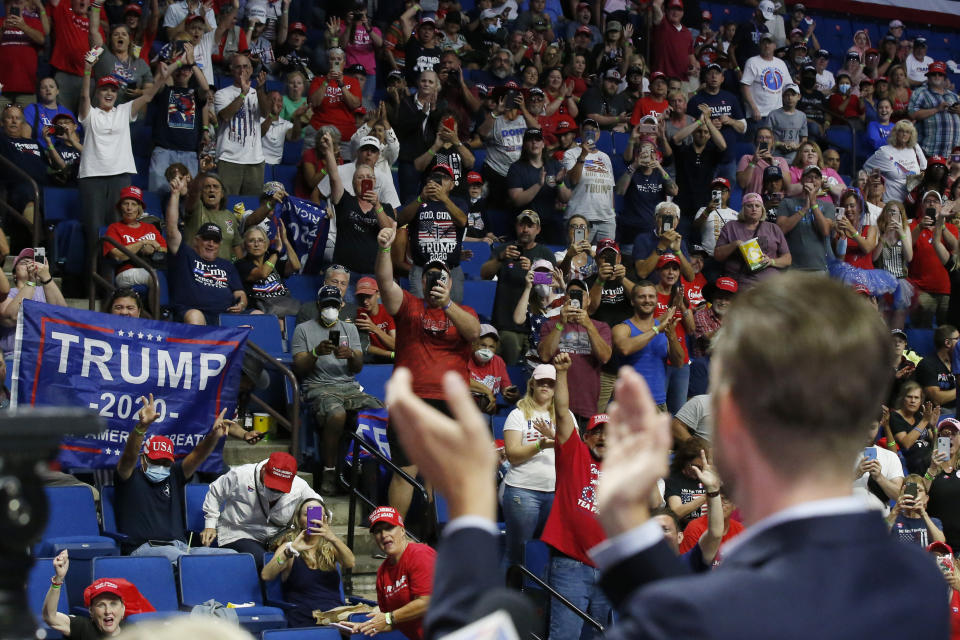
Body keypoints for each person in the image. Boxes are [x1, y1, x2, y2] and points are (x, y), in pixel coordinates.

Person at [382, 275, 949, 640]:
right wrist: (626, 527)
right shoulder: (917, 581)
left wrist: (474, 516)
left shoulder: (708, 614)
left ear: (730, 421)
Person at [374, 226, 480, 517]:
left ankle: (434, 537)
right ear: (421, 280)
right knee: (405, 472)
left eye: (440, 276)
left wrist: (446, 304)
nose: (434, 279)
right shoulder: (409, 305)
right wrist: (384, 249)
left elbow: (474, 333)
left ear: (449, 282)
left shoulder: (465, 312)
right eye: (429, 275)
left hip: (450, 402)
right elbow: (384, 282)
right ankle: (395, 536)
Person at [78, 55, 170, 266]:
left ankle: (114, 279)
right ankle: (93, 282)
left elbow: (147, 98)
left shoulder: (123, 111)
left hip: (120, 176)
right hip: (92, 177)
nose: (109, 93)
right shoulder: (90, 114)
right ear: (97, 93)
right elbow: (84, 98)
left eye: (112, 90)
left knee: (118, 229)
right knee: (94, 230)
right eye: (104, 90)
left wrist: (161, 80)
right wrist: (87, 71)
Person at [115, 397, 232, 558]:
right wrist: (142, 427)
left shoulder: (174, 475)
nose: (161, 466)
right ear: (143, 459)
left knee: (231, 556)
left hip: (181, 547)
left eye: (165, 462)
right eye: (156, 461)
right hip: (144, 549)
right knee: (182, 559)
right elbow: (129, 456)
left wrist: (214, 436)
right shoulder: (128, 477)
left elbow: (198, 455)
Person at [292, 284, 382, 493]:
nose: (330, 308)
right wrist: (315, 352)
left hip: (348, 386)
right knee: (337, 413)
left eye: (334, 304)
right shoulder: (303, 329)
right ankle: (329, 471)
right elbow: (299, 367)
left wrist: (351, 355)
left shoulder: (349, 329)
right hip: (318, 386)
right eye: (326, 305)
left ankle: (371, 471)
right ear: (318, 305)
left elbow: (357, 367)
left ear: (340, 306)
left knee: (378, 410)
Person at [500, 362, 567, 567]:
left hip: (555, 493)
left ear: (556, 387)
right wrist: (540, 444)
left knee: (545, 553)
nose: (545, 386)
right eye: (541, 382)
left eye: (550, 383)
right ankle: (505, 598)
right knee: (517, 553)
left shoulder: (566, 417)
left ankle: (536, 596)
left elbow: (574, 453)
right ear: (532, 384)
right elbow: (512, 455)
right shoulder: (518, 415)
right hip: (523, 491)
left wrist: (553, 437)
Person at [202, 452, 321, 565]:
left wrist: (312, 533)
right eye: (272, 487)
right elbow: (215, 493)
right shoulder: (241, 475)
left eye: (280, 490)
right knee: (264, 561)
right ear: (264, 469)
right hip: (240, 532)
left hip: (275, 538)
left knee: (300, 561)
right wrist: (210, 525)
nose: (274, 492)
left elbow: (316, 502)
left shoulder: (299, 485)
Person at [260, 498, 355, 628]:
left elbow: (350, 563)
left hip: (336, 617)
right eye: (307, 514)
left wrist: (332, 537)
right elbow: (267, 575)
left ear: (325, 519)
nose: (313, 519)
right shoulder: (289, 547)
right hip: (304, 617)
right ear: (299, 519)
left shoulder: (331, 548)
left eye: (319, 514)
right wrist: (289, 552)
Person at [165, 174, 247, 325]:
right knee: (195, 317)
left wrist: (241, 303)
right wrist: (176, 194)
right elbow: (171, 230)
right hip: (195, 313)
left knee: (259, 315)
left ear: (220, 244)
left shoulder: (227, 266)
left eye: (215, 241)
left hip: (225, 315)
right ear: (197, 241)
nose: (210, 244)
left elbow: (239, 293)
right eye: (206, 239)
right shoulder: (186, 256)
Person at [345, 507, 434, 640]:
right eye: (378, 531)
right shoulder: (382, 572)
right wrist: (365, 626)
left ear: (403, 530)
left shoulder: (420, 554)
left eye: (389, 528)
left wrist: (388, 617)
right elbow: (395, 621)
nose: (384, 534)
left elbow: (427, 602)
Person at [482, 211, 556, 364]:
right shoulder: (504, 250)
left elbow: (554, 282)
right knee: (508, 371)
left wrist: (533, 272)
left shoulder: (545, 253)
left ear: (538, 229)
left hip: (536, 326)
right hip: (506, 325)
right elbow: (485, 274)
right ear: (516, 226)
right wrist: (500, 258)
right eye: (522, 225)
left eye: (530, 225)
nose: (525, 229)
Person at [538, 280, 613, 425]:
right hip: (553, 405)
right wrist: (561, 323)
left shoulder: (601, 327)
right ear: (565, 300)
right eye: (571, 294)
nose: (575, 298)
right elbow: (545, 355)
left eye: (580, 294)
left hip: (587, 405)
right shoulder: (550, 325)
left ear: (589, 300)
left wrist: (588, 325)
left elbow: (605, 357)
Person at [613, 279, 684, 411]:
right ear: (632, 301)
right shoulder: (623, 328)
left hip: (658, 403)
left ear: (656, 300)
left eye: (651, 296)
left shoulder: (664, 329)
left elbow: (679, 362)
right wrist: (656, 330)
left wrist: (672, 337)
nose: (647, 300)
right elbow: (625, 348)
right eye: (642, 296)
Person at [214, 53, 269, 196]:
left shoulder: (257, 93)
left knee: (252, 206)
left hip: (255, 160)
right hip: (228, 159)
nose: (242, 70)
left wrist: (260, 89)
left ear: (251, 70)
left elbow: (265, 113)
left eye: (246, 67)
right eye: (238, 67)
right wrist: (243, 94)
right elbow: (225, 116)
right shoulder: (222, 94)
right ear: (232, 70)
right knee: (226, 203)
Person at [714, 192, 791, 288]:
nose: (754, 209)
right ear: (743, 209)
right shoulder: (730, 227)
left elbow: (787, 259)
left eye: (757, 206)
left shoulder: (773, 228)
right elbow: (717, 255)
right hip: (740, 283)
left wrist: (771, 261)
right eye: (749, 206)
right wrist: (735, 244)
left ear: (762, 210)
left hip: (769, 284)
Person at [0, 248, 66, 356]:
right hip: (15, 356)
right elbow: (10, 318)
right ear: (14, 274)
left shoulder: (46, 290)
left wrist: (46, 276)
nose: (29, 264)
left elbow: (63, 317)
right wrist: (31, 282)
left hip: (45, 356)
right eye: (23, 262)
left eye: (32, 262)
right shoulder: (6, 293)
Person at [43, 552, 125, 637]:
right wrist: (58, 579)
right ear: (91, 611)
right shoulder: (82, 627)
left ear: (123, 609)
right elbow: (50, 617)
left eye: (113, 604)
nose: (108, 611)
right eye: (101, 605)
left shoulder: (132, 630)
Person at [775, 164, 835, 272]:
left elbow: (825, 231)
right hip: (792, 269)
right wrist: (804, 209)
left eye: (817, 178)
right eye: (809, 177)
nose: (813, 180)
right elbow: (781, 229)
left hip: (819, 267)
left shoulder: (828, 206)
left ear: (821, 182)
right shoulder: (787, 202)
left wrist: (813, 203)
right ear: (802, 180)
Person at [562, 120, 616, 242]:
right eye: (587, 130)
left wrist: (612, 213)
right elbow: (573, 180)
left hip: (606, 220)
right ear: (581, 132)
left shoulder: (605, 157)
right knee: (578, 255)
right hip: (579, 218)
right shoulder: (570, 154)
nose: (591, 133)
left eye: (594, 130)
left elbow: (610, 188)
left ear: (599, 134)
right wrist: (582, 156)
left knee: (606, 257)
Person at [104, 186, 167, 288]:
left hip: (153, 267)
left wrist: (153, 250)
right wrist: (142, 244)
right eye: (126, 204)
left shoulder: (150, 227)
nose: (129, 208)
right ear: (120, 207)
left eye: (134, 204)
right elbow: (118, 255)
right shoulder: (114, 228)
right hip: (126, 271)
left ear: (139, 208)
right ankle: (159, 305)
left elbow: (164, 249)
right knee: (155, 277)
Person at [235, 225, 302, 318]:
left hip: (284, 304)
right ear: (245, 245)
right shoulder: (241, 264)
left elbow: (296, 266)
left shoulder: (273, 261)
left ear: (266, 245)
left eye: (260, 240)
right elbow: (263, 273)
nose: (256, 244)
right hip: (262, 308)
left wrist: (285, 241)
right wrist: (277, 251)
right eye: (251, 241)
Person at [863, 119, 927, 202]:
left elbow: (923, 167)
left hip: (912, 203)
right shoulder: (884, 152)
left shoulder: (914, 148)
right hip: (891, 202)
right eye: (901, 131)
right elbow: (866, 168)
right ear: (895, 133)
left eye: (907, 132)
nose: (904, 134)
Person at [908, 61, 960, 159]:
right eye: (933, 74)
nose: (937, 76)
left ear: (944, 78)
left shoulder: (953, 95)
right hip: (930, 151)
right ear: (928, 77)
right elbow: (912, 114)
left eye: (940, 74)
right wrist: (936, 109)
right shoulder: (920, 93)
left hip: (953, 155)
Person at [852, 420, 904, 515]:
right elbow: (829, 491)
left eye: (872, 427)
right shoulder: (841, 455)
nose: (867, 432)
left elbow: (898, 495)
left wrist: (880, 478)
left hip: (881, 521)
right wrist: (855, 475)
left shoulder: (890, 456)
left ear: (879, 426)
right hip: (850, 521)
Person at [925, 418, 960, 551]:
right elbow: (917, 494)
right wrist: (932, 469)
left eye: (953, 434)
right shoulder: (926, 462)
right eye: (945, 434)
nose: (949, 437)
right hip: (936, 545)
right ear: (938, 439)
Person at [467, 324, 518, 414]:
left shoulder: (498, 362)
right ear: (473, 344)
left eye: (491, 347)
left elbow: (506, 387)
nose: (487, 350)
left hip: (487, 411)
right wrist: (487, 391)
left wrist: (510, 394)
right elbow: (461, 380)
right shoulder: (464, 358)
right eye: (483, 345)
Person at [740, 33, 790, 123]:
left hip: (777, 115)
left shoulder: (781, 63)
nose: (767, 46)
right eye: (764, 43)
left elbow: (788, 86)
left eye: (769, 43)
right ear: (759, 45)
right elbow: (744, 86)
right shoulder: (752, 62)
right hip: (758, 115)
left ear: (775, 46)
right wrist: (754, 109)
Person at [887, 473, 945, 548]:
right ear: (902, 494)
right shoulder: (892, 518)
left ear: (926, 499)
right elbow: (879, 538)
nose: (916, 493)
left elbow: (941, 544)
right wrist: (895, 510)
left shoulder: (934, 522)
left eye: (920, 490)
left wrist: (924, 515)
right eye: (911, 490)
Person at [916, 325, 958, 420]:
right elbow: (937, 399)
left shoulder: (957, 362)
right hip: (938, 414)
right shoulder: (928, 364)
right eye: (957, 339)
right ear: (947, 343)